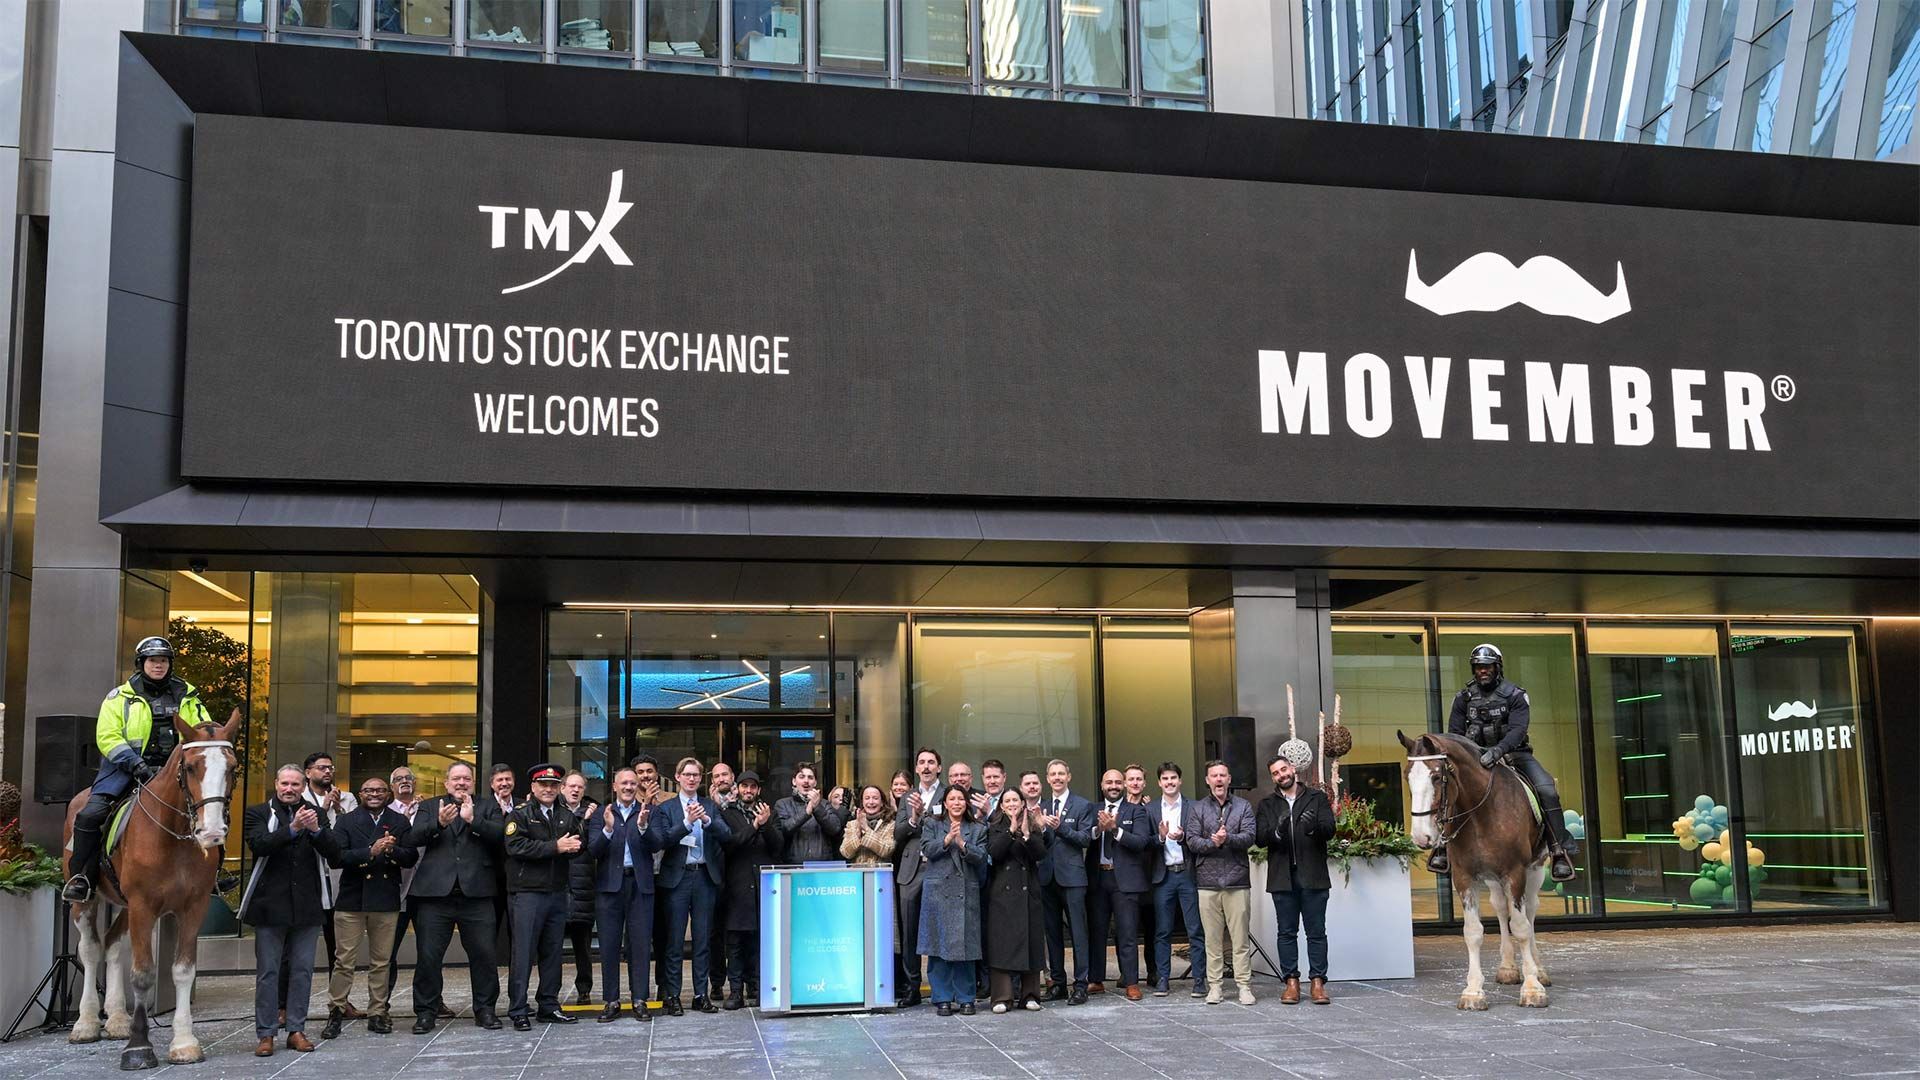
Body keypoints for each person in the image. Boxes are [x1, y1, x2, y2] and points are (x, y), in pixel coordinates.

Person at [65, 635, 215, 904]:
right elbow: (107, 736)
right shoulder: (119, 697)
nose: (158, 665)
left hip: (174, 771)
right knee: (90, 814)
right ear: (141, 663)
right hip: (126, 768)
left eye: (163, 661)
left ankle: (212, 875)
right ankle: (82, 877)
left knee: (210, 808)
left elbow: (201, 732)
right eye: (152, 660)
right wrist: (136, 764)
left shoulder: (189, 696)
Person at [1433, 643, 1579, 882]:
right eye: (1478, 667)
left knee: (1547, 789)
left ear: (1497, 667)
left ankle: (1559, 851)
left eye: (1487, 666)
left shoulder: (1515, 695)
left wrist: (1498, 751)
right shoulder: (1463, 698)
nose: (1483, 671)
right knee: (1447, 788)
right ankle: (1442, 847)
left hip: (1515, 755)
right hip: (1476, 759)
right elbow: (1455, 734)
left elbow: (1518, 730)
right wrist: (1473, 755)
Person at [242, 764, 341, 1057]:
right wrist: (293, 828)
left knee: (302, 971)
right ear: (276, 784)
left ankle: (296, 1029)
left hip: (307, 906)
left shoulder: (316, 813)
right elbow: (259, 845)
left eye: (295, 784)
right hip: (269, 907)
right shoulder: (258, 813)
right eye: (285, 783)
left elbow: (335, 853)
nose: (289, 789)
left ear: (303, 786)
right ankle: (266, 1033)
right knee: (268, 973)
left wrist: (316, 831)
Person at [403, 761, 507, 1034]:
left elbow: (501, 837)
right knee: (428, 956)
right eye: (456, 779)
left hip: (478, 893)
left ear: (473, 782)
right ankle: (426, 1012)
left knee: (484, 955)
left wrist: (475, 821)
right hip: (434, 895)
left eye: (466, 779)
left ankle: (485, 1009)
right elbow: (412, 838)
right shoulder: (430, 806)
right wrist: (438, 823)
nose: (461, 783)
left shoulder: (487, 806)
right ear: (447, 783)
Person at [322, 775, 417, 1038]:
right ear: (360, 794)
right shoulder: (346, 821)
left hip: (385, 899)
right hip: (352, 899)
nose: (374, 794)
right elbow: (337, 858)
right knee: (344, 961)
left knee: (382, 961)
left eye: (379, 790)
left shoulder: (399, 822)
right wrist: (371, 851)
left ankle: (378, 1012)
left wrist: (392, 851)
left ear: (388, 794)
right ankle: (336, 1010)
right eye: (368, 790)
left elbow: (411, 857)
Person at [503, 763, 584, 1031]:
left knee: (552, 952)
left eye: (553, 785)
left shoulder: (564, 814)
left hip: (556, 892)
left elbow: (578, 844)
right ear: (533, 787)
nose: (548, 789)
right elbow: (515, 846)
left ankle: (548, 1004)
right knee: (524, 952)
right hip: (527, 893)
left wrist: (575, 846)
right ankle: (518, 1009)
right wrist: (555, 846)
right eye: (543, 784)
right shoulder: (521, 814)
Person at [650, 756, 732, 1015]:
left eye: (696, 775)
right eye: (687, 774)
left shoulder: (709, 804)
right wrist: (686, 823)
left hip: (704, 877)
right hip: (677, 878)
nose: (692, 779)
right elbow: (662, 840)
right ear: (678, 778)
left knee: (702, 940)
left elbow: (726, 835)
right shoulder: (667, 808)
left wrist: (706, 820)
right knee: (674, 940)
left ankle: (700, 994)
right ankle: (673, 995)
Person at [1257, 748, 1336, 1006]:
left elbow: (1330, 830)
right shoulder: (1267, 804)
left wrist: (1313, 827)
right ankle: (1291, 982)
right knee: (1286, 933)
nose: (1281, 775)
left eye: (1283, 770)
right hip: (1282, 878)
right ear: (1273, 778)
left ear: (1293, 769)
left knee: (1316, 933)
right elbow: (1259, 839)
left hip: (1313, 876)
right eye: (1275, 773)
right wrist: (1277, 833)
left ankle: (1317, 983)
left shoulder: (1316, 797)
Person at [288, 751, 356, 1017]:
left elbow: (350, 831)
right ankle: (285, 1006)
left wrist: (337, 808)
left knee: (337, 947)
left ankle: (340, 1001)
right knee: (292, 948)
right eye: (321, 768)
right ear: (308, 772)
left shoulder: (347, 798)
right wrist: (323, 809)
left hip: (335, 881)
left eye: (331, 768)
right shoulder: (297, 799)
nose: (327, 772)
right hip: (306, 880)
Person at [588, 767, 657, 1023]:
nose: (629, 787)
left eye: (633, 783)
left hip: (640, 886)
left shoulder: (649, 811)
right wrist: (607, 830)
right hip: (609, 888)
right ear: (615, 787)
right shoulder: (600, 814)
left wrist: (642, 827)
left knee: (639, 944)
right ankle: (611, 1000)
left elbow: (658, 843)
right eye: (624, 783)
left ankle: (640, 999)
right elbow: (593, 850)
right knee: (608, 945)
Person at [1188, 759, 1257, 1005]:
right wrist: (1212, 843)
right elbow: (1192, 841)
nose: (1218, 779)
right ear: (1207, 780)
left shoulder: (1243, 806)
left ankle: (1244, 986)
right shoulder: (1197, 808)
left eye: (1223, 775)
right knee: (1212, 940)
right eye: (1214, 776)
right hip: (1207, 881)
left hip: (1237, 881)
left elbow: (1250, 836)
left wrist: (1227, 839)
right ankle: (1215, 987)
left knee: (1240, 940)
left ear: (1229, 780)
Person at [1086, 768, 1154, 1000]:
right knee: (1096, 932)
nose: (1113, 786)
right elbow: (1084, 836)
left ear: (1124, 785)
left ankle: (1131, 982)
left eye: (1117, 782)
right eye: (1109, 782)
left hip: (1124, 879)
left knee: (1127, 933)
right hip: (1097, 878)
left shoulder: (1136, 811)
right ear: (1102, 785)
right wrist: (1098, 830)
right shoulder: (1092, 809)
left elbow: (1141, 842)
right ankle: (1096, 979)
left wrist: (1115, 830)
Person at [718, 769, 783, 1010]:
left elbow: (778, 848)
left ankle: (756, 987)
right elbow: (730, 844)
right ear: (737, 789)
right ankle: (735, 991)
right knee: (735, 943)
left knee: (759, 940)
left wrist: (765, 825)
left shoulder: (770, 813)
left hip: (764, 887)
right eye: (744, 786)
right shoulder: (727, 814)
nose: (748, 791)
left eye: (752, 787)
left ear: (758, 790)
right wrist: (755, 825)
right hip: (737, 887)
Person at [919, 785, 986, 1016]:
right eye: (952, 799)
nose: (957, 803)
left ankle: (966, 997)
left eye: (961, 799)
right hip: (938, 892)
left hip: (966, 891)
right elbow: (926, 848)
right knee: (938, 948)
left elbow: (982, 856)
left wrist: (962, 843)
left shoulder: (977, 827)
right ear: (945, 803)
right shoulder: (932, 823)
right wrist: (947, 840)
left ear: (966, 803)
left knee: (966, 947)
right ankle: (942, 997)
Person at [1145, 762, 1206, 998]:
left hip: (1188, 874)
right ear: (1159, 783)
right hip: (1164, 876)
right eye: (1165, 779)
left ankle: (1199, 980)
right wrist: (1159, 838)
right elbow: (1145, 843)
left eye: (1173, 778)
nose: (1169, 782)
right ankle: (1162, 979)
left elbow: (1200, 839)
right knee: (1162, 931)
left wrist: (1183, 838)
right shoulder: (1150, 809)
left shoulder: (1194, 807)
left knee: (1194, 930)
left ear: (1180, 781)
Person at [984, 787, 1047, 1013]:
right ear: (1001, 805)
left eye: (1015, 800)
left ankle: (1030, 995)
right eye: (1007, 800)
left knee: (1030, 941)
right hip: (1002, 893)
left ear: (1023, 803)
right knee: (1001, 944)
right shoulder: (994, 826)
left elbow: (1040, 853)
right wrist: (1011, 831)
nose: (1011, 804)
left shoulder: (1033, 824)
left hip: (1028, 890)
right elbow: (995, 853)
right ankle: (1002, 997)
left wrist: (1027, 835)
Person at [1037, 758, 1094, 1004]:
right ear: (1047, 778)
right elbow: (1038, 845)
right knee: (1052, 935)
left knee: (1079, 934)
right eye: (1053, 774)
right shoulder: (1042, 805)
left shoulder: (1082, 805)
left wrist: (1061, 828)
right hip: (1047, 877)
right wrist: (1039, 828)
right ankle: (1058, 984)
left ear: (1068, 776)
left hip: (1072, 878)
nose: (1057, 778)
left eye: (1061, 773)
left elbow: (1084, 839)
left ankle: (1081, 984)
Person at [560, 771, 599, 1005]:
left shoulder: (593, 812)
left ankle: (584, 989)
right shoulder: (554, 810)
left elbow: (586, 845)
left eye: (580, 787)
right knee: (553, 944)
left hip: (583, 886)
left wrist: (586, 822)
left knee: (582, 945)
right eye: (571, 786)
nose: (575, 790)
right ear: (563, 788)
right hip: (559, 885)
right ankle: (550, 991)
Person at [890, 769, 927, 1008]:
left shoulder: (948, 793)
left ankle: (945, 988)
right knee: (909, 932)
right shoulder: (907, 797)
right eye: (922, 762)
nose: (926, 766)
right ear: (917, 768)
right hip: (911, 870)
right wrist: (914, 818)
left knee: (941, 930)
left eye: (931, 762)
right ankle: (912, 988)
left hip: (940, 866)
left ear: (938, 767)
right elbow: (899, 832)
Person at [1124, 763, 1160, 989]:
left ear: (1144, 783)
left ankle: (1153, 971)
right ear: (1125, 782)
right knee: (1125, 929)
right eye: (1131, 779)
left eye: (1139, 779)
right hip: (1124, 875)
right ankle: (1126, 974)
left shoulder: (1152, 809)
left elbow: (1158, 838)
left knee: (1151, 927)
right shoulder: (1117, 808)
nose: (1135, 783)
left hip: (1148, 874)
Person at [774, 761, 844, 862]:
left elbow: (835, 829)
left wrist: (817, 808)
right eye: (802, 777)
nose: (806, 781)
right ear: (794, 781)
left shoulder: (824, 804)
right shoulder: (782, 804)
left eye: (810, 777)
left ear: (815, 783)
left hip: (822, 866)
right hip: (793, 866)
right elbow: (784, 829)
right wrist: (806, 812)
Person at [487, 763, 519, 959]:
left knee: (518, 934)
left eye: (508, 779)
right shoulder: (483, 806)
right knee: (489, 934)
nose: (504, 783)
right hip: (490, 880)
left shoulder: (525, 806)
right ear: (492, 784)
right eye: (500, 780)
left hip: (518, 880)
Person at [840, 784, 896, 865]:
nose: (871, 802)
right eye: (867, 798)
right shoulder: (852, 824)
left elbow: (886, 850)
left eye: (875, 798)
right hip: (857, 875)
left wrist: (866, 829)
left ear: (882, 803)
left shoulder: (890, 824)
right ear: (862, 802)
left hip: (880, 875)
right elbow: (845, 852)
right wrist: (858, 833)